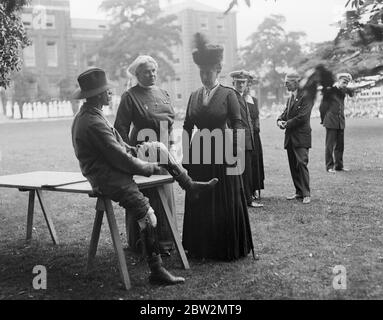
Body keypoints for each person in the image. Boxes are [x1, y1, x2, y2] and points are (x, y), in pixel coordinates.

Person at [71, 67, 217, 285]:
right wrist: (149, 168)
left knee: (158, 146)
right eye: (107, 91)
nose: (110, 94)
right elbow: (119, 158)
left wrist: (143, 152)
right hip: (108, 177)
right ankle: (156, 270)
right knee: (148, 215)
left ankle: (190, 185)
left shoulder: (93, 114)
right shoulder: (92, 122)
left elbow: (120, 148)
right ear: (96, 95)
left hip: (114, 167)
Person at [182, 33, 255, 261]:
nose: (204, 76)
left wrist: (235, 152)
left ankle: (223, 246)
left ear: (218, 70)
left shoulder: (228, 94)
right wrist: (186, 156)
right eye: (201, 72)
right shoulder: (194, 96)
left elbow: (238, 124)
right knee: (200, 198)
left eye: (209, 72)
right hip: (199, 155)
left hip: (223, 153)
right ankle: (200, 246)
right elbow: (186, 126)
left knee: (223, 198)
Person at [114, 55, 177, 256]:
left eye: (153, 70)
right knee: (146, 196)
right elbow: (120, 129)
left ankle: (166, 242)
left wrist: (172, 144)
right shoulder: (129, 96)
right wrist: (130, 154)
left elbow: (170, 122)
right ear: (137, 74)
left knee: (164, 194)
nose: (151, 74)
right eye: (146, 71)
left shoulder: (163, 93)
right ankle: (144, 243)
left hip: (165, 150)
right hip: (142, 152)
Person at [277, 73, 314, 205]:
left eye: (288, 82)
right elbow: (285, 113)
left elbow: (302, 117)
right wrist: (279, 120)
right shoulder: (291, 98)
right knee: (293, 165)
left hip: (301, 137)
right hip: (291, 137)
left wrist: (286, 123)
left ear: (296, 82)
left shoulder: (307, 97)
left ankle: (306, 194)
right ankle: (299, 191)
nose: (285, 84)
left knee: (301, 164)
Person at [230, 70, 263, 208]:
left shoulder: (242, 97)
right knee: (243, 171)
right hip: (240, 140)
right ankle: (247, 200)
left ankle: (245, 198)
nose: (241, 85)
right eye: (238, 82)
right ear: (233, 83)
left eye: (243, 82)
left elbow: (250, 120)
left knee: (247, 170)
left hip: (248, 140)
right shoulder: (233, 97)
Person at [319, 73, 354, 173]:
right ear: (339, 81)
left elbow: (346, 100)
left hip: (340, 122)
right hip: (330, 121)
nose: (345, 85)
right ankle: (329, 167)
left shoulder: (343, 92)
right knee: (329, 146)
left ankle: (339, 166)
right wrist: (323, 120)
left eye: (346, 83)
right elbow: (322, 107)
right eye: (343, 82)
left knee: (340, 146)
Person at [245, 72, 265, 202]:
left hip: (255, 136)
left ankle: (255, 189)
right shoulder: (236, 99)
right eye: (246, 83)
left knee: (256, 162)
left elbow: (256, 117)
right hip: (244, 136)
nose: (248, 86)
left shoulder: (254, 100)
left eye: (249, 84)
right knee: (247, 163)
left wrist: (257, 128)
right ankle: (247, 190)